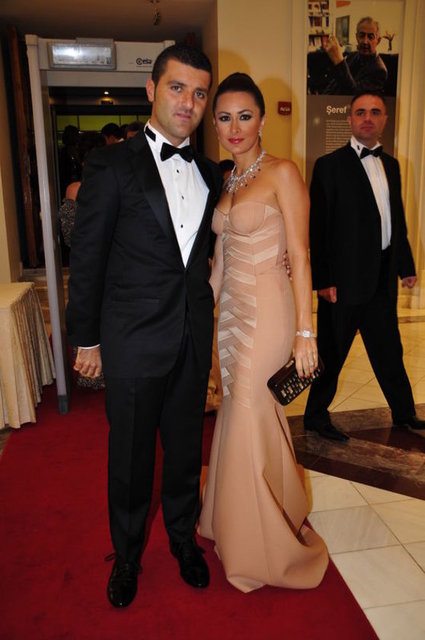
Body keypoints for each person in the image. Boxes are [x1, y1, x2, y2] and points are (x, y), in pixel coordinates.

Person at [66, 44, 222, 608]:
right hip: (132, 340)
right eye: (177, 88)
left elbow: (208, 254)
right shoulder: (111, 165)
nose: (189, 102)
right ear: (152, 90)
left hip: (191, 336)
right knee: (131, 458)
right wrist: (87, 338)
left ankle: (183, 539)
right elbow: (88, 257)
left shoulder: (211, 172)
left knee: (183, 450)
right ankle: (128, 555)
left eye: (199, 93)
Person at [198, 73, 328, 593]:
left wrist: (305, 332)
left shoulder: (283, 173)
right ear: (215, 124)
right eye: (224, 118)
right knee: (237, 412)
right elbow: (219, 262)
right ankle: (236, 519)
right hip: (230, 314)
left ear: (262, 119)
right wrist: (199, 317)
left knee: (251, 412)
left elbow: (300, 254)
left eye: (244, 116)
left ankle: (262, 547)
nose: (234, 128)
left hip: (270, 311)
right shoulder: (227, 180)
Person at [304, 91, 425, 441]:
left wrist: (405, 265)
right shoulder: (328, 165)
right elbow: (318, 227)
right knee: (332, 352)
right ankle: (315, 415)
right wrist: (323, 280)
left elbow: (396, 220)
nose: (367, 118)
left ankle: (404, 412)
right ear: (349, 119)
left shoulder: (393, 166)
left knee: (389, 349)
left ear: (384, 119)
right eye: (360, 112)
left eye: (374, 112)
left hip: (382, 279)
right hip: (342, 283)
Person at [319, 17, 387, 95]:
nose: (365, 41)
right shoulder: (353, 56)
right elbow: (334, 84)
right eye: (362, 36)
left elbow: (354, 95)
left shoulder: (379, 70)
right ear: (356, 37)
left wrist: (339, 61)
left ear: (378, 40)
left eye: (370, 37)